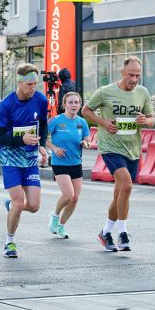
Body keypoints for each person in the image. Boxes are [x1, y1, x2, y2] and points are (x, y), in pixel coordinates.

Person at [82, 56, 155, 252]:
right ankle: (122, 232)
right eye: (131, 75)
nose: (134, 79)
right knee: (127, 186)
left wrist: (144, 121)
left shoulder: (142, 92)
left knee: (120, 192)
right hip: (110, 147)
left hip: (132, 148)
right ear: (122, 73)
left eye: (137, 76)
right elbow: (86, 110)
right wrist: (103, 122)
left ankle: (105, 232)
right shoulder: (105, 92)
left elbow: (151, 119)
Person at [0, 63, 49, 258]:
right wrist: (21, 139)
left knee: (33, 206)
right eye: (29, 85)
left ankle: (12, 207)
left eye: (35, 84)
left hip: (31, 158)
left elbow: (42, 124)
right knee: (19, 202)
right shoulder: (7, 104)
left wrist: (41, 144)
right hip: (10, 159)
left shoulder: (41, 100)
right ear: (19, 83)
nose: (33, 88)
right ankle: (10, 242)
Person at [46, 92, 90, 239]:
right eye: (70, 102)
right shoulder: (56, 121)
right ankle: (55, 215)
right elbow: (43, 138)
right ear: (64, 105)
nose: (74, 105)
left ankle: (61, 226)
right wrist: (54, 148)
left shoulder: (81, 122)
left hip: (76, 162)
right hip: (60, 163)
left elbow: (87, 139)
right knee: (68, 195)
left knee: (75, 198)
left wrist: (85, 143)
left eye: (76, 102)